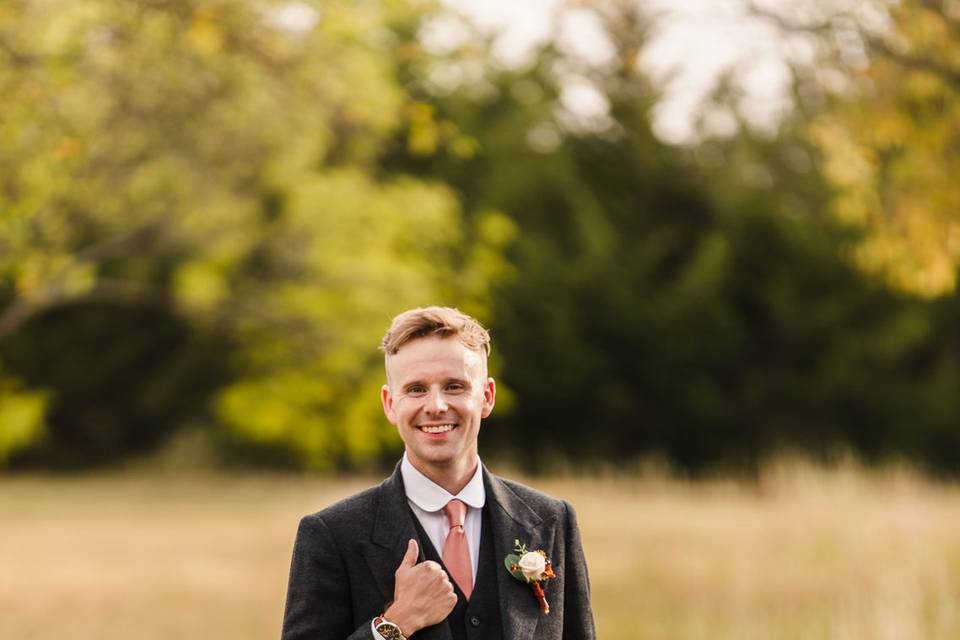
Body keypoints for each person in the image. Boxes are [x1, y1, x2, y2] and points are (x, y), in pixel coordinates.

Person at [280, 306, 596, 640]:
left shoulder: (551, 520)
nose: (436, 406)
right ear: (390, 404)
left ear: (487, 397)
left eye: (455, 386)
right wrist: (393, 625)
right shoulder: (332, 534)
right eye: (416, 389)